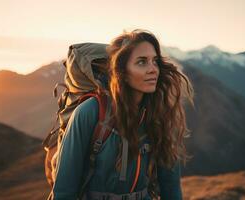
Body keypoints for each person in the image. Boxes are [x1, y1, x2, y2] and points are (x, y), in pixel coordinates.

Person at [52, 29, 194, 200]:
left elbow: (170, 187)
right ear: (122, 71)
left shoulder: (159, 116)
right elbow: (64, 191)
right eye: (142, 62)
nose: (153, 69)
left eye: (155, 61)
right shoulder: (90, 112)